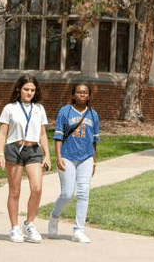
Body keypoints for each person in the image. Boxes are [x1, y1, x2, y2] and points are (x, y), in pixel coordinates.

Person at [0, 74, 51, 243]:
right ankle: (14, 227)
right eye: (26, 89)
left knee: (37, 188)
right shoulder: (10, 108)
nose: (29, 93)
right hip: (14, 149)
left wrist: (47, 154)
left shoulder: (39, 109)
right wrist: (0, 153)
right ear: (19, 89)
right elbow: (3, 132)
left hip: (33, 150)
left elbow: (42, 134)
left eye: (33, 90)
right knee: (15, 191)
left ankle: (29, 223)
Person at [47, 82, 99, 243]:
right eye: (79, 92)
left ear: (89, 96)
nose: (82, 94)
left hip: (86, 158)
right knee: (67, 194)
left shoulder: (93, 114)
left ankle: (78, 230)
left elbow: (94, 141)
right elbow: (58, 137)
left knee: (84, 193)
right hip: (67, 157)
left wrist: (94, 162)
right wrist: (58, 156)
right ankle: (54, 217)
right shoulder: (65, 111)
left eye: (85, 92)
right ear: (73, 95)